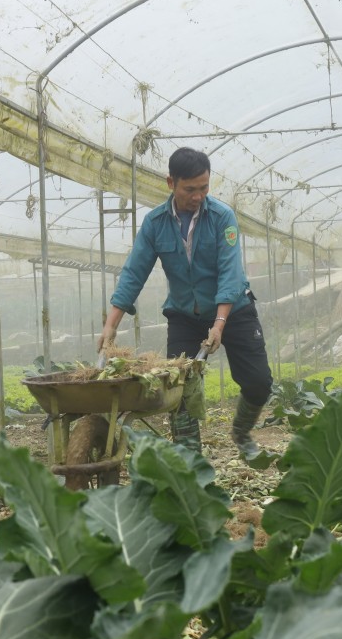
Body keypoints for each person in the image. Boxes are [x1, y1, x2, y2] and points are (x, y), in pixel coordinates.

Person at [97, 147, 272, 462]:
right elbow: (134, 273)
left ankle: (242, 432)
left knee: (259, 383)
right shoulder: (155, 224)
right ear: (170, 183)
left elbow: (230, 274)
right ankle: (190, 462)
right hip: (185, 316)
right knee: (178, 390)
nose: (198, 196)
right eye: (190, 189)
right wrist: (110, 326)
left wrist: (219, 324)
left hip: (234, 311)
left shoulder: (222, 217)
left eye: (204, 187)